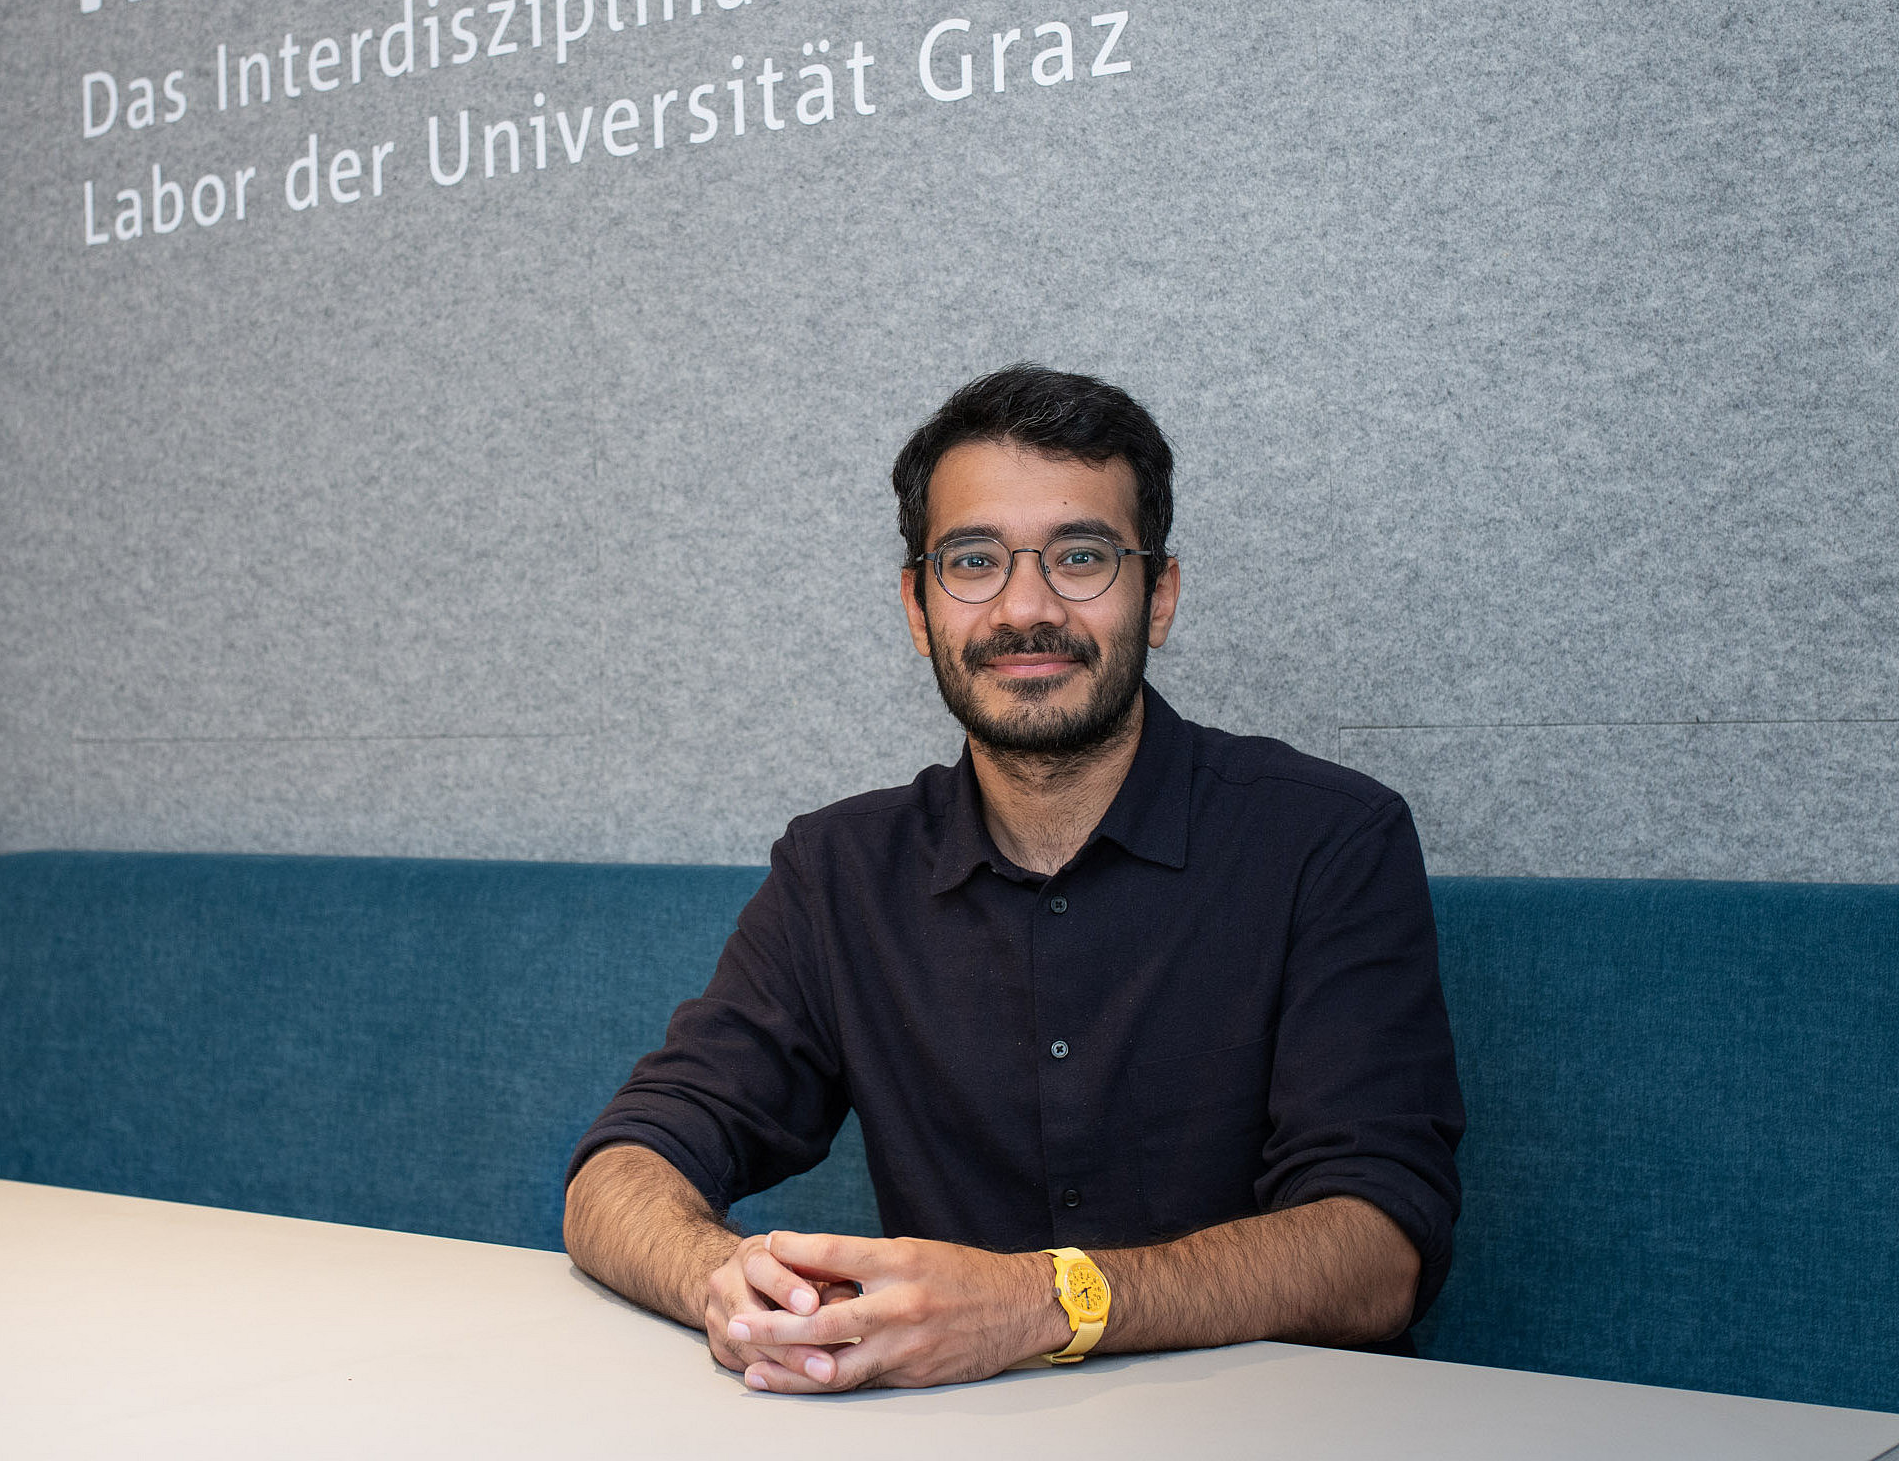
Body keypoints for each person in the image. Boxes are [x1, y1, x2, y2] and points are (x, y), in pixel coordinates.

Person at [563, 365, 1464, 1392]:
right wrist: (727, 1284)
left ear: (1156, 593)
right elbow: (621, 1170)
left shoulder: (1327, 838)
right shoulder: (836, 870)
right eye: (971, 559)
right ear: (917, 606)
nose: (1023, 607)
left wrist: (1040, 1302)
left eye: (1080, 555)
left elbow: (1377, 1248)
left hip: (1272, 1425)